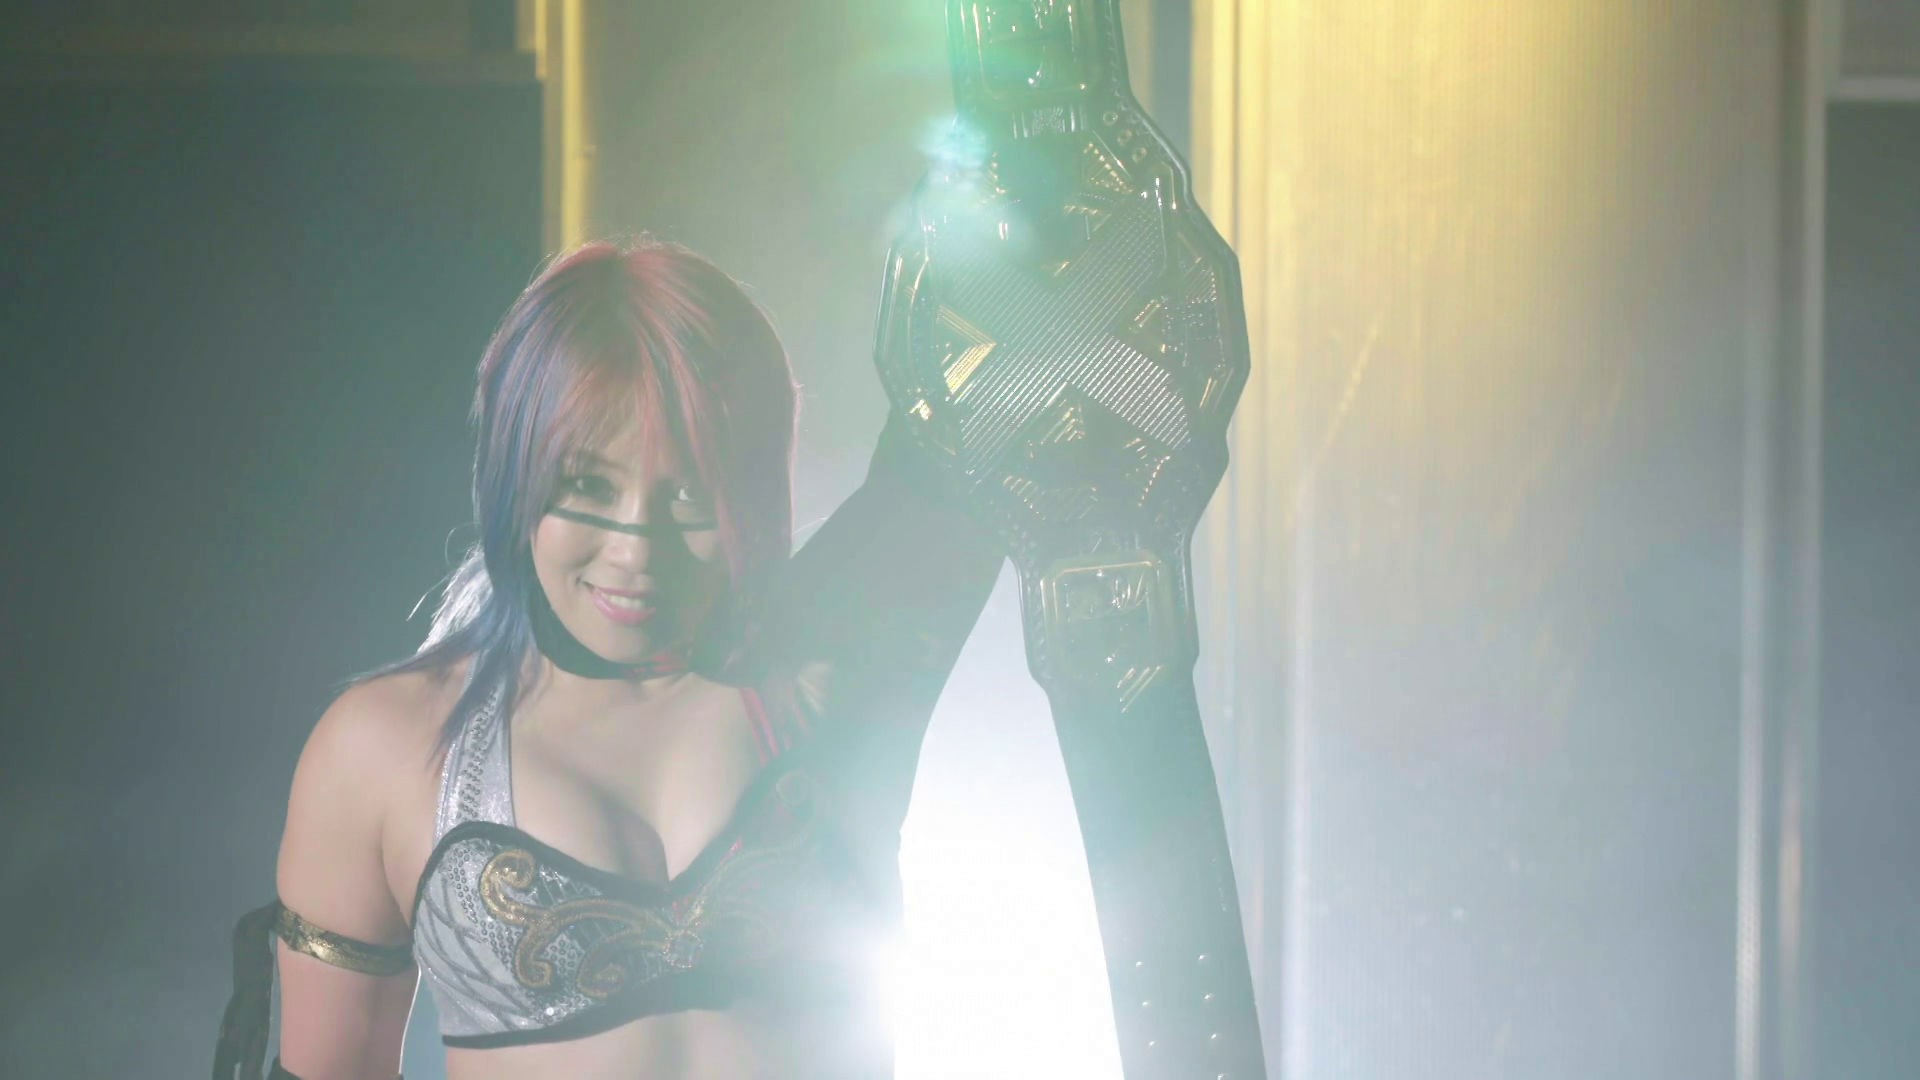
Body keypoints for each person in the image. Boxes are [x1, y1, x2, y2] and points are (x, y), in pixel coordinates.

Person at [213, 238, 1004, 1080]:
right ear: (512, 472)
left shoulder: (830, 672)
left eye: (690, 491)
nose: (636, 551)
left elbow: (999, 378)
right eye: (589, 484)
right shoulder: (386, 752)